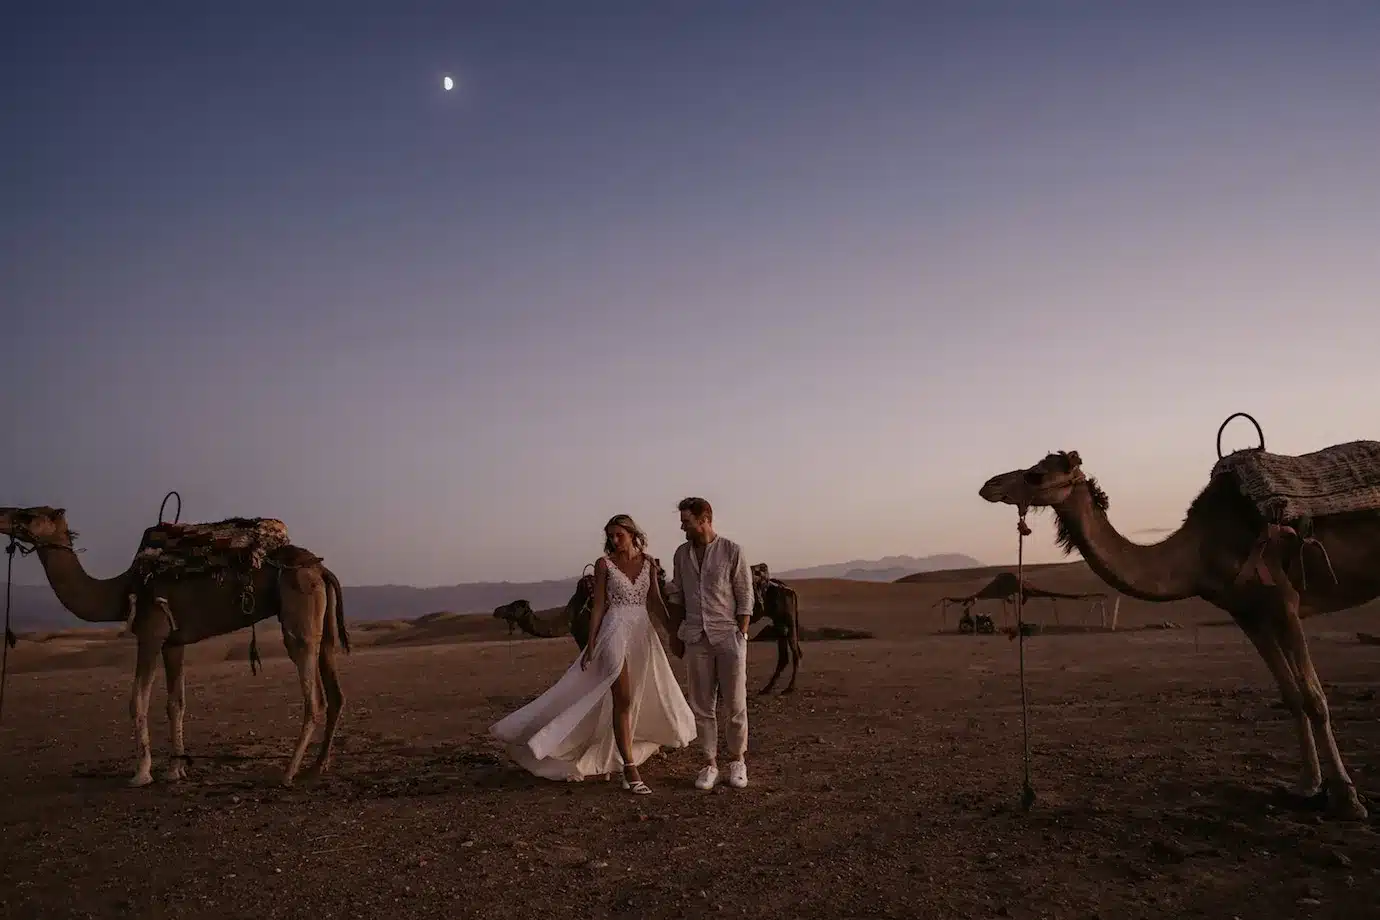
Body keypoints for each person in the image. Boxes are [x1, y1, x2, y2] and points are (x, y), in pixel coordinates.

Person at [489, 514, 696, 794]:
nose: (613, 540)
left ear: (632, 533)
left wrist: (673, 632)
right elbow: (599, 606)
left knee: (635, 697)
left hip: (642, 634)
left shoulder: (648, 563)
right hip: (614, 631)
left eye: (618, 535)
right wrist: (591, 644)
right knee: (622, 697)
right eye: (610, 536)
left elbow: (655, 602)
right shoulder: (604, 565)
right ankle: (629, 769)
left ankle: (620, 752)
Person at [662, 497, 754, 791]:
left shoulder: (732, 551)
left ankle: (737, 761)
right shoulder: (681, 554)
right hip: (695, 638)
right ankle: (709, 763)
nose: (681, 526)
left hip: (728, 637)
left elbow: (744, 595)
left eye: (686, 521)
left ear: (704, 519)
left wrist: (741, 633)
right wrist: (676, 634)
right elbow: (676, 593)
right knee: (702, 706)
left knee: (736, 704)